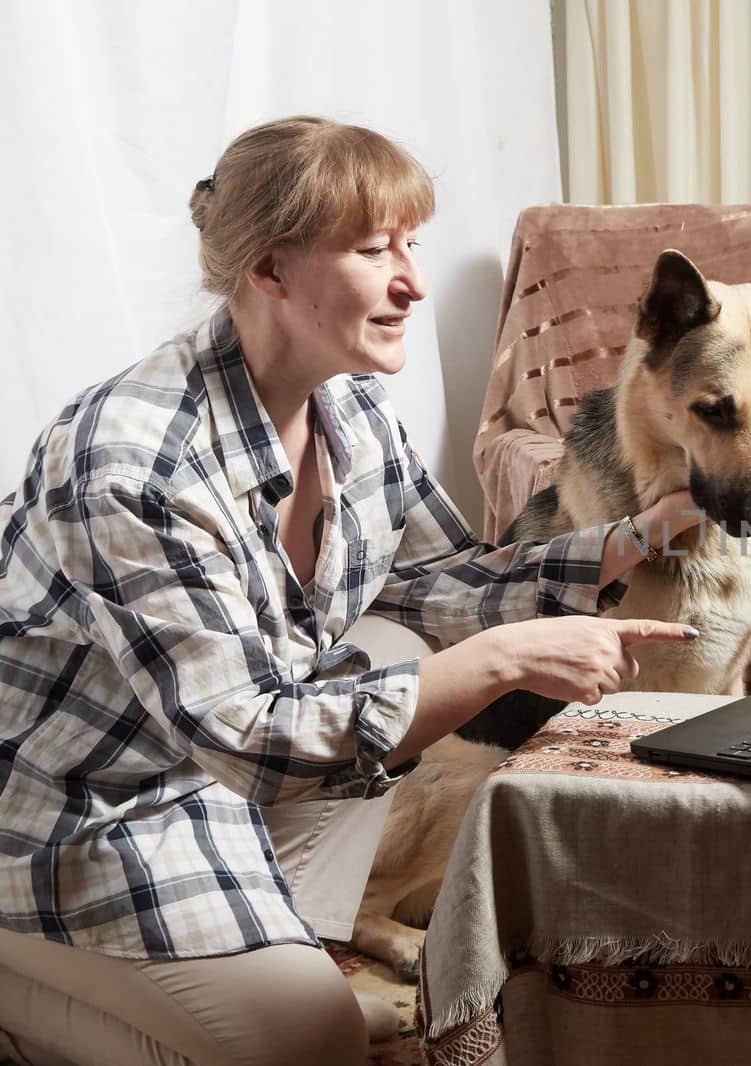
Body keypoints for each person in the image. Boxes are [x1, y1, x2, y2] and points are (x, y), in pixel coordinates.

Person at [0, 116, 701, 1066]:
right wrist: (502, 659)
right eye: (375, 249)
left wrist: (631, 540)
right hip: (72, 814)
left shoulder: (352, 410)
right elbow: (251, 739)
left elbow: (429, 586)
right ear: (269, 270)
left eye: (411, 243)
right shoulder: (132, 463)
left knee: (397, 651)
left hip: (203, 773)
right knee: (310, 1042)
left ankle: (285, 947)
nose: (411, 279)